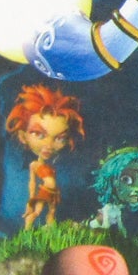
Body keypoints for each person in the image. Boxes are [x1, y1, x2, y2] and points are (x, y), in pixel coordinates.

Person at [7, 84, 84, 230]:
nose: (49, 145)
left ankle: (51, 231)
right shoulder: (35, 165)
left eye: (60, 138)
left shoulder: (49, 165)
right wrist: (30, 200)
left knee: (51, 213)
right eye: (39, 134)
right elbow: (32, 183)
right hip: (44, 191)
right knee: (37, 212)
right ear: (23, 136)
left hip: (54, 192)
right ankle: (27, 230)